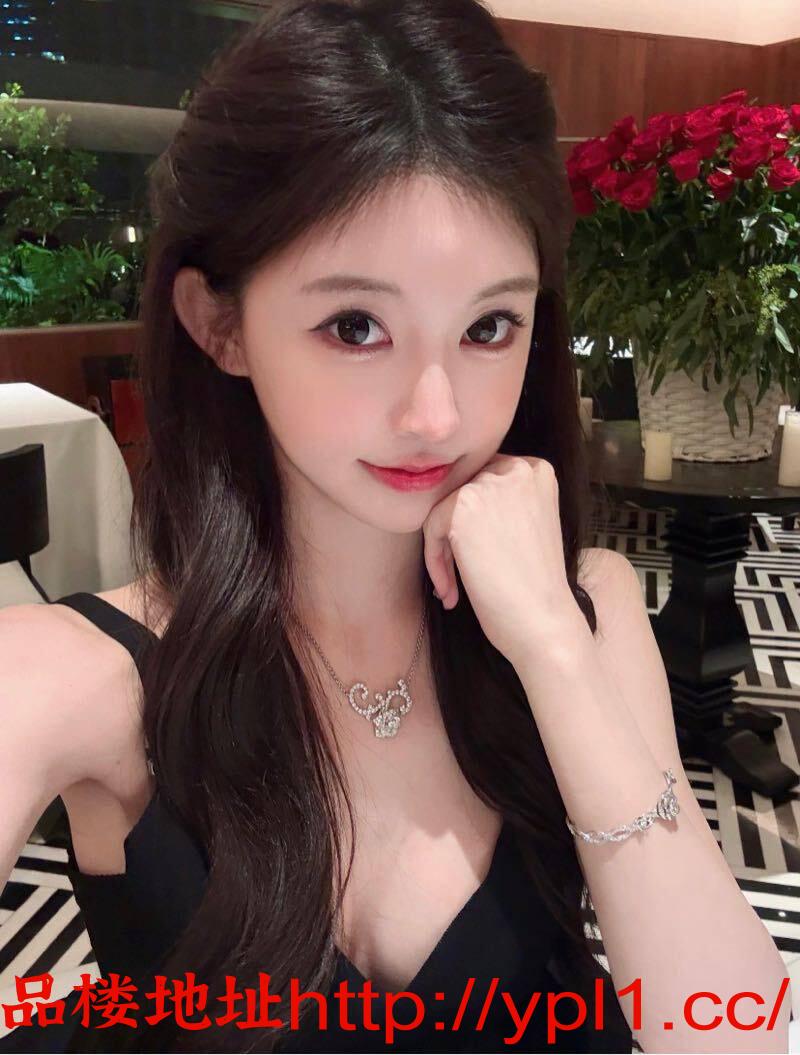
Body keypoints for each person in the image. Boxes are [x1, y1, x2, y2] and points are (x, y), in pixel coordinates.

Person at [2, 1, 789, 1053]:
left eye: (489, 325)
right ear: (219, 323)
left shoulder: (585, 608)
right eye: (355, 325)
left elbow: (726, 1032)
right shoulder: (73, 676)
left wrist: (553, 650)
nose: (438, 414)